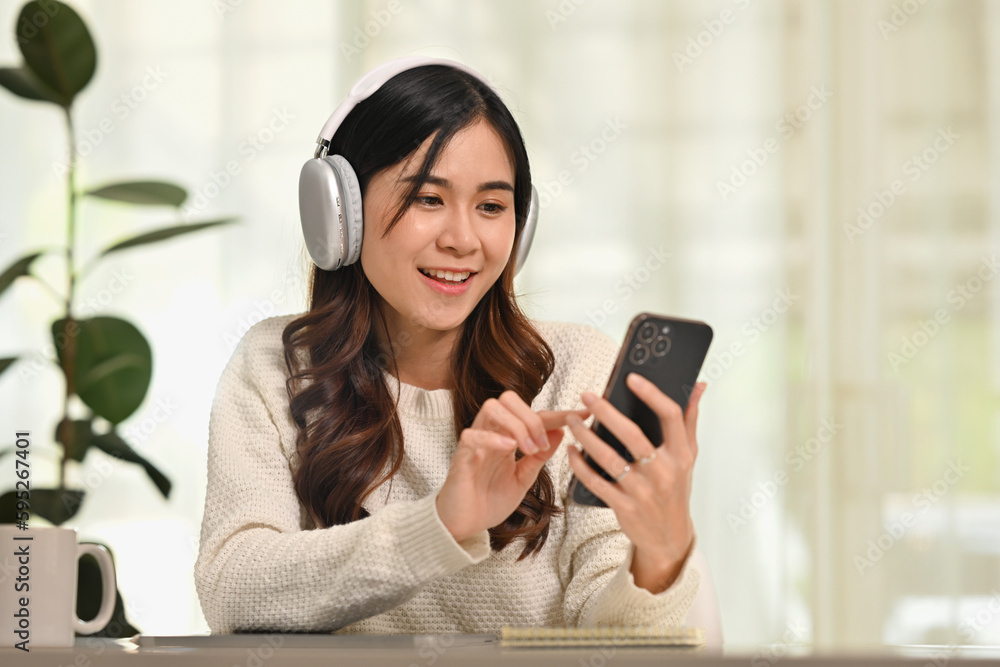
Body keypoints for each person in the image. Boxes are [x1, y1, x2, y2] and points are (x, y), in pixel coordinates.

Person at [194, 57, 708, 635]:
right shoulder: (275, 367)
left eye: (491, 206)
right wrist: (438, 525)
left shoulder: (576, 371)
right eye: (427, 199)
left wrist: (660, 561)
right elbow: (234, 589)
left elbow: (610, 640)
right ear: (342, 213)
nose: (463, 240)